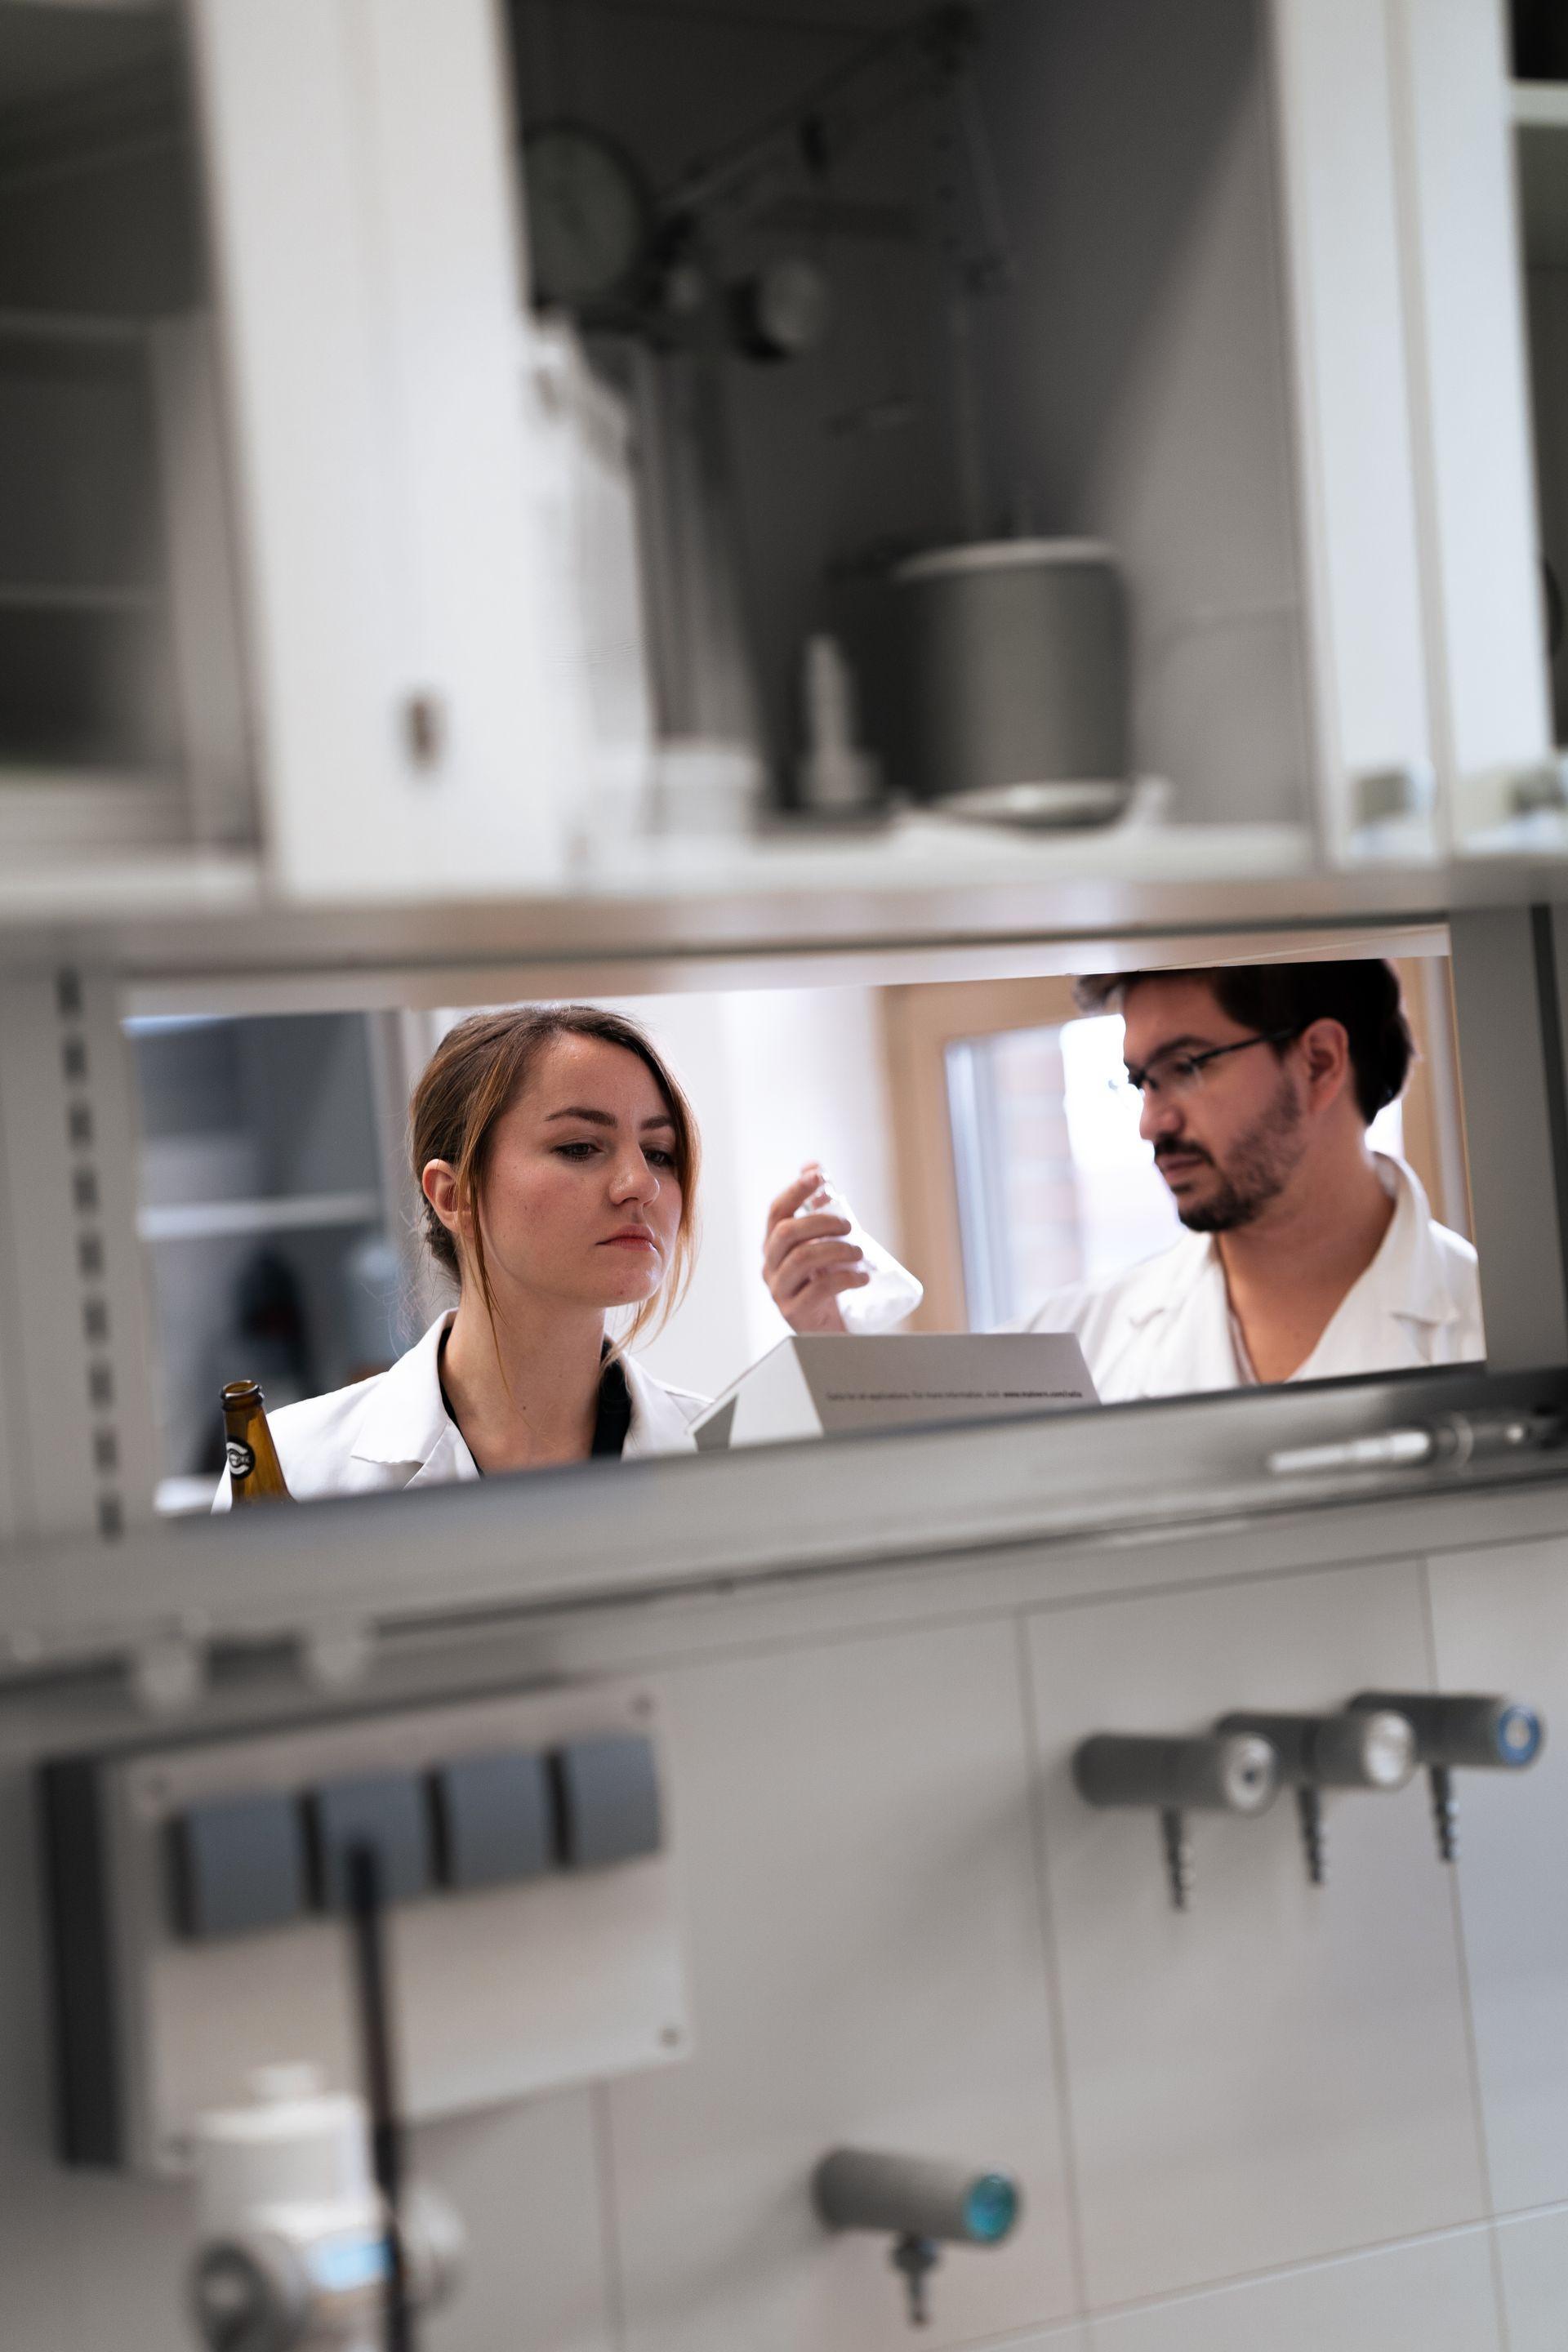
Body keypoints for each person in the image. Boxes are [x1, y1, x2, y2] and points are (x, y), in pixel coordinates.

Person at [762, 960, 1483, 1402]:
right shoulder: (1074, 1346)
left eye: (1189, 1066)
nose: (1151, 1122)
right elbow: (924, 1503)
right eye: (1139, 1080)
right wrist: (834, 1342)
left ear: (1321, 1063)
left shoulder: (1494, 1325)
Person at [216, 1004, 706, 1503]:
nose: (641, 1184)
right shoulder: (297, 1466)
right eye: (580, 1147)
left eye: (660, 1153)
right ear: (454, 1196)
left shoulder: (730, 1452)